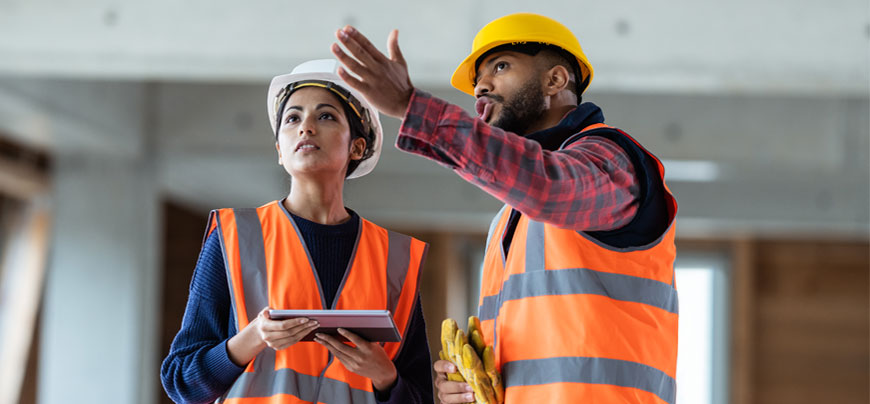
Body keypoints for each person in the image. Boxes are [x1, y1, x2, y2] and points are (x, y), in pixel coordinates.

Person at [327, 12, 679, 404]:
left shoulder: (613, 162)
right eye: (478, 80)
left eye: (501, 66)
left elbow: (549, 185)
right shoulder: (510, 220)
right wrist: (467, 388)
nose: (481, 86)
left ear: (556, 80)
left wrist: (412, 106)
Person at [161, 59, 434, 404]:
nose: (305, 127)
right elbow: (181, 384)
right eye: (292, 118)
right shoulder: (234, 238)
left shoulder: (395, 259)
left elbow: (420, 397)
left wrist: (385, 376)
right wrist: (253, 337)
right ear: (279, 151)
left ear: (357, 147)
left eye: (325, 116)